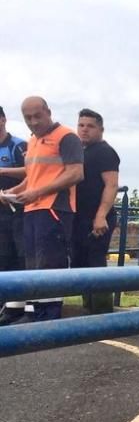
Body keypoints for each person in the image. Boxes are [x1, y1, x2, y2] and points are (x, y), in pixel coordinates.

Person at [1, 97, 84, 322]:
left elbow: (76, 173)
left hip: (55, 208)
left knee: (50, 263)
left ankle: (48, 316)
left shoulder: (66, 137)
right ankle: (33, 312)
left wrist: (37, 192)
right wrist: (13, 193)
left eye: (38, 116)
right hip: (32, 208)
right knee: (33, 263)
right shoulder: (33, 141)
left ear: (48, 111)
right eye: (28, 118)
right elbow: (33, 179)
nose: (33, 122)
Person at [73, 108, 119, 314]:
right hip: (80, 217)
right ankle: (88, 311)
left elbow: (111, 185)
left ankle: (102, 314)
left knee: (95, 263)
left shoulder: (105, 151)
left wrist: (100, 215)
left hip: (98, 218)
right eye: (81, 125)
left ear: (101, 129)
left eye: (90, 126)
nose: (84, 130)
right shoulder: (81, 152)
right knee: (81, 262)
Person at [0, 106, 28, 325]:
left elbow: (32, 171)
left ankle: (16, 307)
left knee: (18, 256)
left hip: (18, 210)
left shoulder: (19, 145)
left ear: (3, 120)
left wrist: (3, 172)